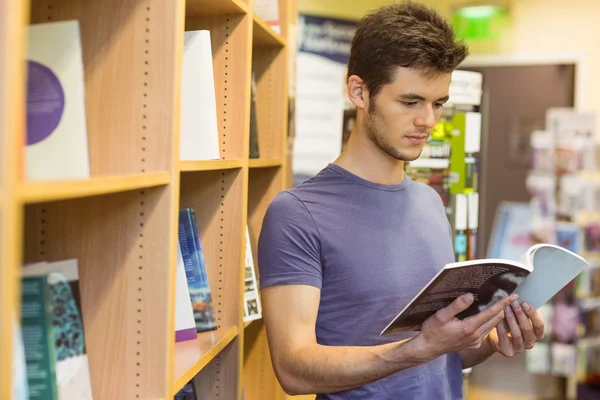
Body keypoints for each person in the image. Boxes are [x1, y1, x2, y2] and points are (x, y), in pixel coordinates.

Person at [257, 1, 546, 399]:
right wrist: (416, 350)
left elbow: (445, 358)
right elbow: (293, 370)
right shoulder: (297, 214)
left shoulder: (429, 202)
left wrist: (490, 340)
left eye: (437, 103)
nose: (428, 121)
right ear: (359, 92)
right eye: (410, 102)